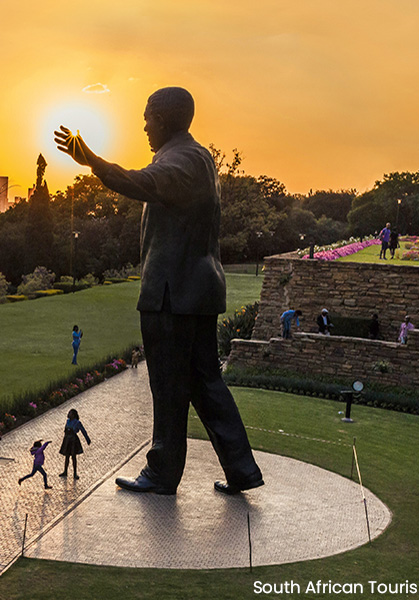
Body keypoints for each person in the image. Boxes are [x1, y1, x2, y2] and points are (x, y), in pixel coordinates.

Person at [55, 86, 263, 495]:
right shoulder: (194, 157)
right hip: (194, 290)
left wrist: (91, 160)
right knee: (205, 383)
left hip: (173, 293)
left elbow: (139, 183)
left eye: (148, 116)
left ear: (164, 120)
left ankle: (162, 473)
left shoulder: (182, 161)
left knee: (169, 386)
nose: (144, 123)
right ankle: (242, 469)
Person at [58, 409, 92, 479]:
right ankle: (65, 471)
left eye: (70, 413)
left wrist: (87, 439)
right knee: (67, 456)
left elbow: (83, 431)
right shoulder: (68, 421)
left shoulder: (77, 422)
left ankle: (75, 473)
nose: (69, 414)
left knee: (73, 457)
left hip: (73, 440)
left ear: (73, 415)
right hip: (67, 439)